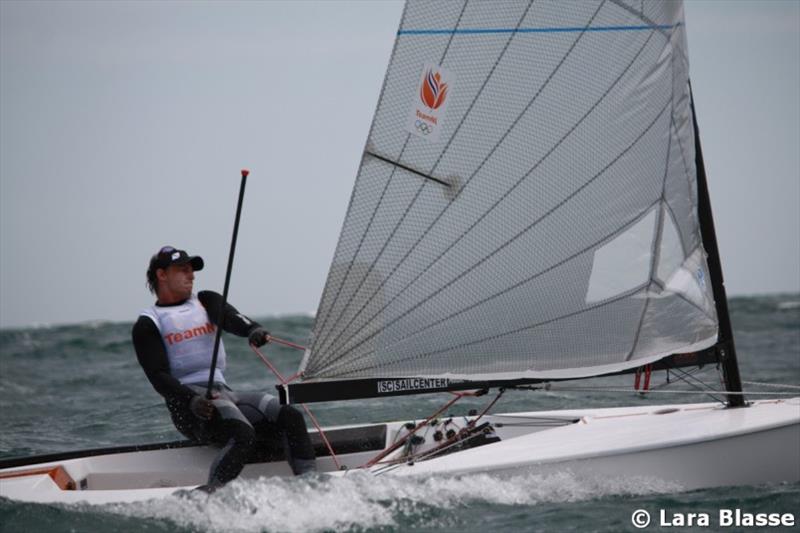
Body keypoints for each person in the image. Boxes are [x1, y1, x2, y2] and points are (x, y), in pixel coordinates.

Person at [132, 245, 316, 490]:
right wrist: (191, 400)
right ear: (161, 275)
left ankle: (311, 487)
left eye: (192, 270)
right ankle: (211, 497)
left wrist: (253, 330)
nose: (191, 275)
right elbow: (158, 377)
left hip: (225, 394)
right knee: (242, 433)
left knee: (290, 415)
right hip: (191, 408)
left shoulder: (206, 301)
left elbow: (231, 318)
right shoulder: (148, 323)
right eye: (182, 270)